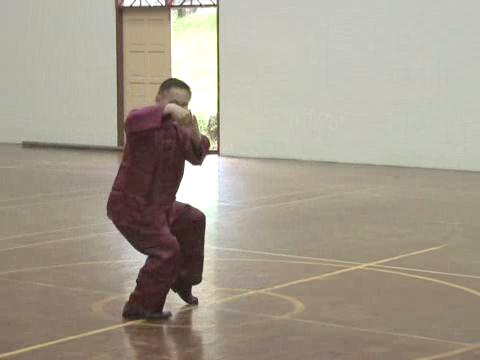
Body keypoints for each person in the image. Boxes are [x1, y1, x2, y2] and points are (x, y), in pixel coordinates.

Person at [107, 78, 210, 320]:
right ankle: (139, 305)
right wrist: (168, 111)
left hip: (161, 207)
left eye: (185, 105)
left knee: (194, 220)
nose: (180, 109)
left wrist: (196, 135)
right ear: (159, 100)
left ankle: (181, 279)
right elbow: (132, 119)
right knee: (167, 249)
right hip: (132, 207)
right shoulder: (142, 125)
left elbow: (196, 157)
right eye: (174, 103)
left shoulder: (177, 131)